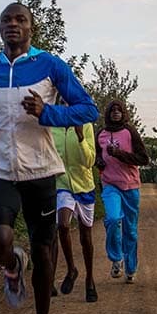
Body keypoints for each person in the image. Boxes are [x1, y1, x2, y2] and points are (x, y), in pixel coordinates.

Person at [0, 2, 99, 314]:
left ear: (31, 28)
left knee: (44, 251)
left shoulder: (51, 66)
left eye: (20, 20)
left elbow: (88, 109)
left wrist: (48, 113)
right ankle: (12, 265)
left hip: (41, 171)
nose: (13, 25)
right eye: (6, 20)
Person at [95, 100, 149, 283]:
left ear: (124, 113)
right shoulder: (100, 134)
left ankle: (131, 268)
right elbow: (95, 156)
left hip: (131, 186)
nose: (116, 112)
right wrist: (99, 161)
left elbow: (143, 158)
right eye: (112, 110)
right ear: (108, 113)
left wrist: (118, 154)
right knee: (112, 219)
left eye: (119, 110)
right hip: (110, 184)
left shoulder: (130, 132)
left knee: (130, 230)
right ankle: (116, 258)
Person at [51, 118, 99, 303]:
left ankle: (89, 279)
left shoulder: (85, 125)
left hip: (84, 186)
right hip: (62, 184)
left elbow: (90, 161)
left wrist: (80, 136)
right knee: (62, 225)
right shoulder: (53, 125)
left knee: (86, 237)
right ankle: (71, 269)